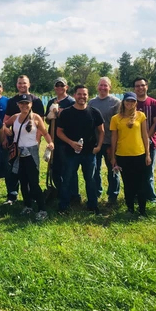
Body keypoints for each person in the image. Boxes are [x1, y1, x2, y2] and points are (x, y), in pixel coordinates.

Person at [5, 94, 54, 221]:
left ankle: (42, 209)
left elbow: (45, 133)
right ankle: (27, 206)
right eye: (22, 103)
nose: (24, 106)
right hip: (18, 154)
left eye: (27, 103)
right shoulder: (15, 117)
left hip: (31, 153)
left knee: (33, 183)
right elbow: (3, 124)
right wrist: (7, 130)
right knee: (23, 181)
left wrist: (50, 142)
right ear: (18, 105)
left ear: (31, 104)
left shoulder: (36, 117)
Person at [57, 85, 104, 215]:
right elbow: (59, 132)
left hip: (89, 153)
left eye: (84, 94)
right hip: (71, 153)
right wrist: (71, 143)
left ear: (88, 96)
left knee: (91, 179)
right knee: (67, 179)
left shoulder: (94, 112)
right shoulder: (66, 113)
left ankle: (93, 205)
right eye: (79, 94)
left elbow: (101, 131)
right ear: (74, 95)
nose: (82, 97)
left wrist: (99, 146)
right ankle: (63, 205)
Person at [3, 75, 45, 204]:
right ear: (17, 85)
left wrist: (37, 141)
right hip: (15, 144)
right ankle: (12, 196)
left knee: (30, 172)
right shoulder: (12, 101)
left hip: (30, 144)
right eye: (20, 83)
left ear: (29, 84)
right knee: (13, 170)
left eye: (24, 83)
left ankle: (31, 198)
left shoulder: (36, 101)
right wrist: (5, 136)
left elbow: (41, 124)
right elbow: (6, 121)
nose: (22, 85)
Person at [110, 92, 151, 216]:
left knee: (141, 183)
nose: (130, 103)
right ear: (123, 102)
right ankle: (130, 209)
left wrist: (148, 154)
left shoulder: (141, 116)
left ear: (135, 103)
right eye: (128, 101)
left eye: (132, 101)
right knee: (128, 183)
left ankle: (142, 210)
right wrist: (113, 157)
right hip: (123, 155)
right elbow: (114, 139)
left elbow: (145, 135)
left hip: (139, 154)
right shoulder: (116, 118)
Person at [88, 77, 121, 205]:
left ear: (110, 87)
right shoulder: (92, 102)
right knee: (94, 170)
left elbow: (118, 125)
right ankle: (97, 192)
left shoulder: (116, 102)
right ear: (97, 87)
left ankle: (113, 196)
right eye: (101, 85)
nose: (103, 88)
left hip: (110, 142)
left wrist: (115, 144)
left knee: (112, 169)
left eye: (105, 85)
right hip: (95, 142)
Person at [45, 77, 79, 201]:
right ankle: (60, 191)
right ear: (54, 87)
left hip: (66, 140)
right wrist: (50, 116)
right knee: (55, 167)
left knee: (69, 169)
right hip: (53, 139)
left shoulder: (71, 101)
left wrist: (60, 113)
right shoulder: (51, 101)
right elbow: (47, 120)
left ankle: (74, 195)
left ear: (66, 87)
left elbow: (74, 118)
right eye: (57, 85)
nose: (59, 87)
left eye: (62, 85)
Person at [133, 77, 156, 204]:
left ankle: (151, 198)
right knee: (134, 172)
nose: (140, 88)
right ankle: (135, 196)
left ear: (147, 87)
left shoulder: (153, 103)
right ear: (134, 88)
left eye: (142, 85)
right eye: (137, 86)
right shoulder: (130, 103)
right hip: (132, 144)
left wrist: (146, 137)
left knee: (148, 172)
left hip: (151, 143)